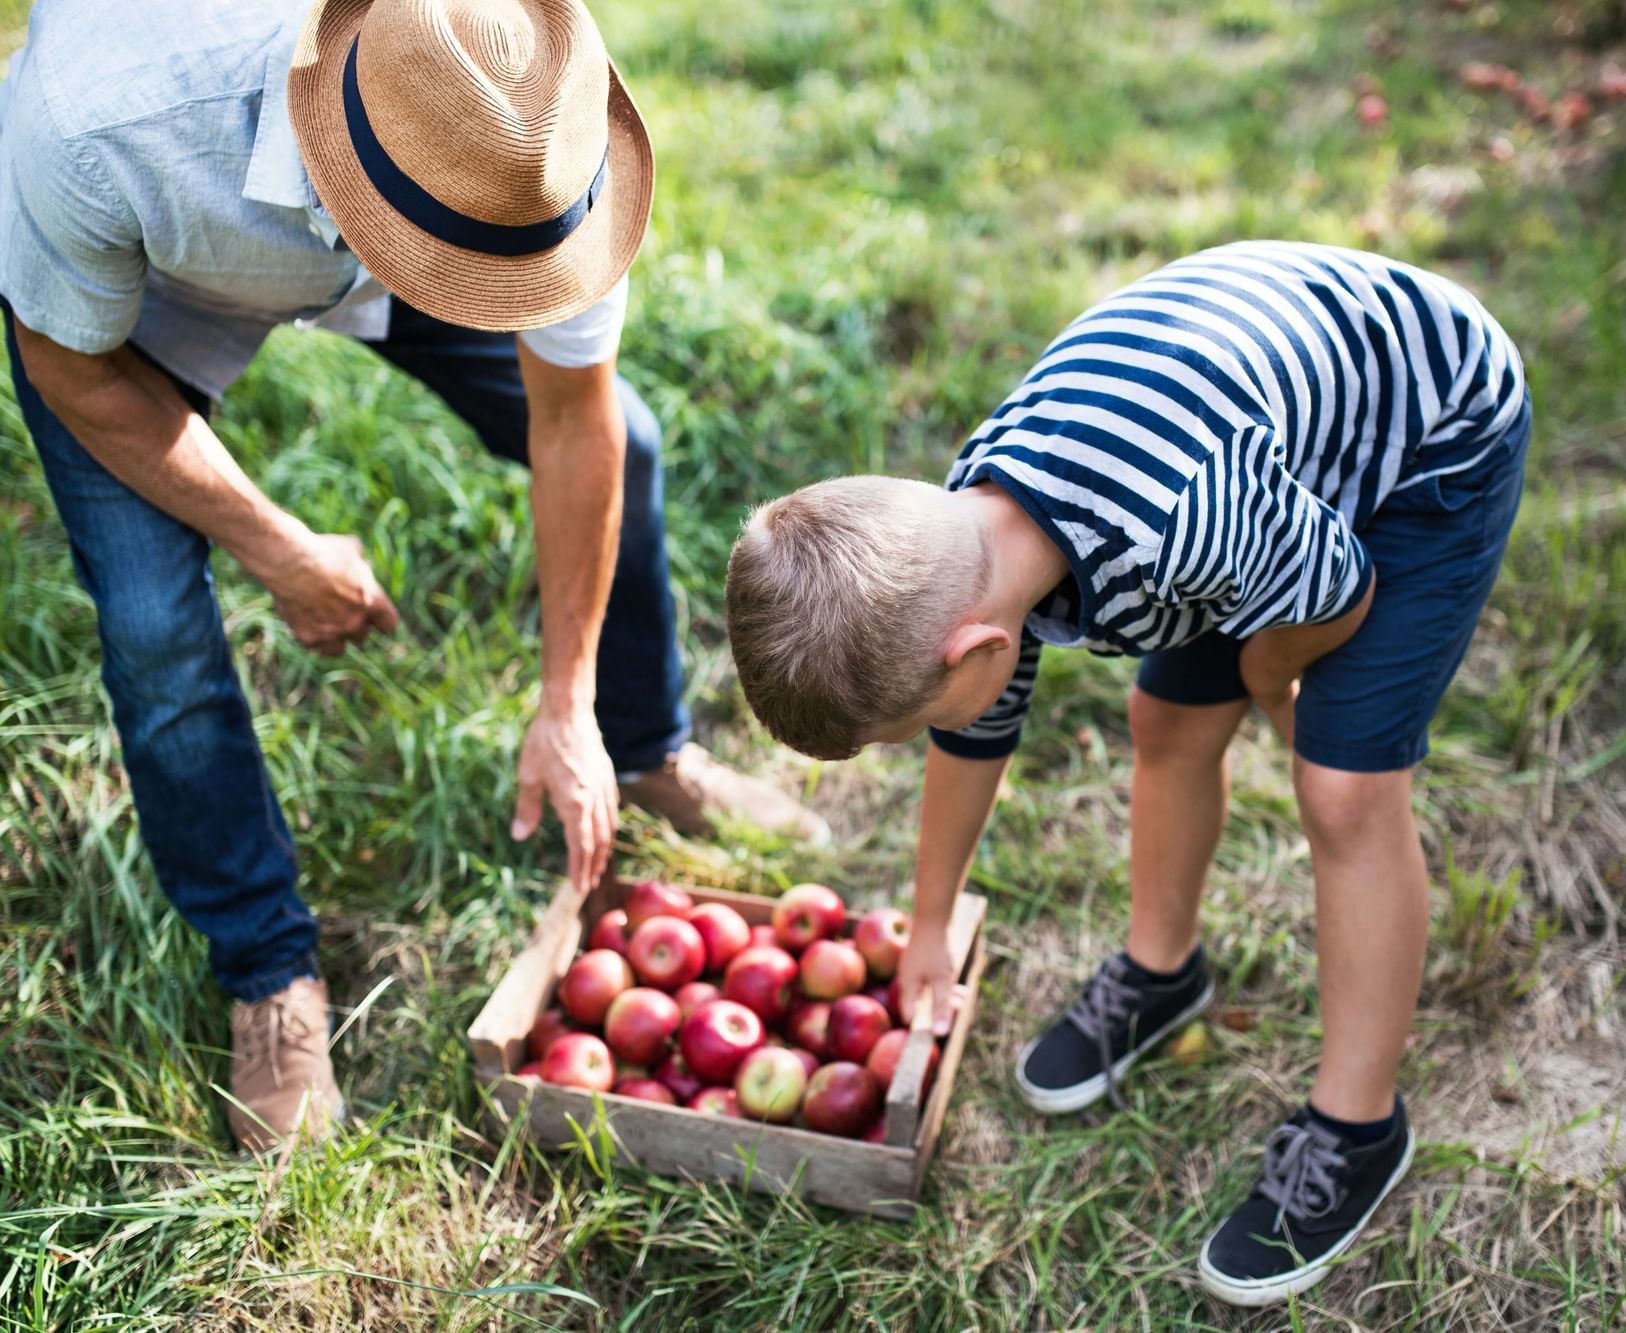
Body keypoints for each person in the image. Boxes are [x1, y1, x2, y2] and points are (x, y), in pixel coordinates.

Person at [0, 0, 826, 1153]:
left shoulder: (535, 137)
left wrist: (565, 702)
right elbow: (74, 374)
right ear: (354, 185)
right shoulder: (95, 125)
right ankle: (266, 971)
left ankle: (643, 752)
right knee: (153, 625)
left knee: (627, 438)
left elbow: (576, 425)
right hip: (138, 274)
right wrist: (277, 545)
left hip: (402, 224)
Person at [724, 240, 1529, 1307]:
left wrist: (1268, 670)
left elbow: (1335, 590)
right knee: (1164, 714)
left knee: (1342, 789)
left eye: (900, 729)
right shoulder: (967, 536)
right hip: (1257, 451)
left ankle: (1356, 1127)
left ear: (976, 652)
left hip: (1426, 434)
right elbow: (973, 738)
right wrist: (927, 925)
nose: (914, 743)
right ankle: (1162, 971)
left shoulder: (1182, 522)